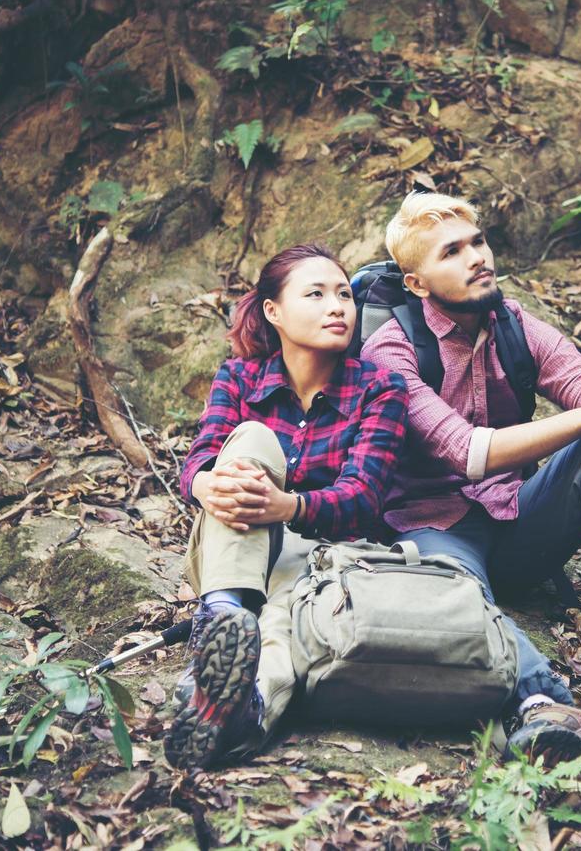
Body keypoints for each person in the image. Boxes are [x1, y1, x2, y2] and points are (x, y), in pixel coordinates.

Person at [361, 192, 581, 763]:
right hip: (434, 530)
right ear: (416, 283)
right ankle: (537, 703)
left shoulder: (512, 324)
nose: (476, 257)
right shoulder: (391, 347)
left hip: (518, 522)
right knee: (453, 591)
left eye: (478, 242)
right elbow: (465, 450)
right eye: (453, 251)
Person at [168, 243, 408, 770]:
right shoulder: (239, 377)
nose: (338, 306)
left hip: (325, 554)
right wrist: (205, 486)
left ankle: (240, 711)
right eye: (316, 294)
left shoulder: (380, 386)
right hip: (233, 545)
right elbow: (202, 457)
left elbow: (364, 498)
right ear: (273, 311)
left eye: (345, 294)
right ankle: (224, 616)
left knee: (281, 622)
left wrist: (288, 506)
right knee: (250, 440)